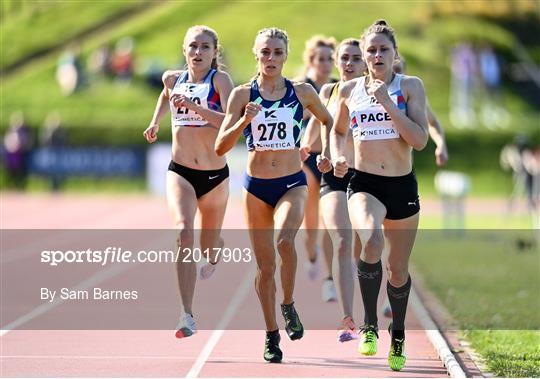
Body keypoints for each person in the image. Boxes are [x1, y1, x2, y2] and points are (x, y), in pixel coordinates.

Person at [215, 27, 333, 363]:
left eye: (277, 53)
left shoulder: (302, 92)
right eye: (265, 52)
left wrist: (325, 153)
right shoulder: (242, 95)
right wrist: (242, 123)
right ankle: (271, 335)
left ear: (286, 56)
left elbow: (329, 120)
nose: (271, 58)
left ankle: (288, 303)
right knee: (265, 269)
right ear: (257, 54)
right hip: (256, 188)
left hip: (292, 183)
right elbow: (220, 146)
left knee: (285, 241)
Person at [323, 19, 428, 371]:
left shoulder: (410, 86)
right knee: (371, 241)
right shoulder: (349, 90)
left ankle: (397, 335)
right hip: (364, 183)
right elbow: (337, 132)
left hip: (402, 186)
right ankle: (370, 326)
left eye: (384, 49)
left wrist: (389, 104)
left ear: (395, 54)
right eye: (371, 50)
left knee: (397, 270)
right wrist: (338, 155)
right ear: (364, 55)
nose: (377, 55)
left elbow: (419, 140)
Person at [143, 25, 234, 339]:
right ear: (185, 50)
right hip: (180, 171)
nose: (198, 52)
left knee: (207, 249)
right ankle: (187, 313)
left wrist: (195, 107)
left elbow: (231, 122)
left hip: (214, 177)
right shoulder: (173, 78)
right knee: (183, 232)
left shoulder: (220, 81)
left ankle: (216, 246)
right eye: (193, 46)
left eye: (205, 47)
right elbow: (165, 94)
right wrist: (155, 121)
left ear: (214, 52)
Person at [301, 38, 365, 341]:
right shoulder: (326, 90)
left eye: (355, 58)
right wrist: (307, 146)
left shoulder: (371, 92)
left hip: (367, 174)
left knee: (366, 239)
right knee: (335, 232)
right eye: (343, 59)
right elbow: (317, 123)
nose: (347, 64)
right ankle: (338, 297)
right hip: (330, 170)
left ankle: (363, 283)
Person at [297, 36, 338, 286]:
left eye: (329, 59)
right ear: (312, 61)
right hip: (307, 154)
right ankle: (311, 251)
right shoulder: (303, 86)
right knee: (311, 213)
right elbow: (295, 112)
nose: (325, 64)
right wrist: (318, 108)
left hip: (331, 155)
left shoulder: (338, 85)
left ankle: (330, 273)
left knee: (329, 215)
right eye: (320, 59)